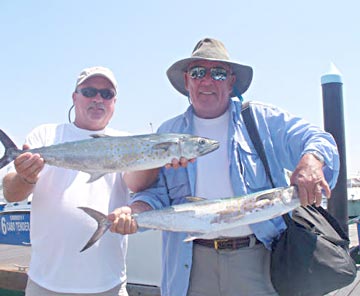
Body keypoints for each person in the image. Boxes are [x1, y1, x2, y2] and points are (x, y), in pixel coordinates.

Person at [109, 38, 340, 296]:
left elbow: (319, 140)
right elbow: (156, 195)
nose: (207, 80)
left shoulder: (261, 119)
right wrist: (134, 213)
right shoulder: (168, 133)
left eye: (218, 73)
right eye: (198, 72)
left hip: (258, 258)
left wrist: (312, 160)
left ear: (231, 82)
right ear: (187, 81)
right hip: (190, 263)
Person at [2, 66, 143, 296]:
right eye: (89, 91)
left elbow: (140, 188)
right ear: (74, 97)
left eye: (106, 94)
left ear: (114, 102)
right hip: (45, 285)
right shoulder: (45, 135)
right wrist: (25, 177)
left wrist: (164, 157)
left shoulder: (127, 143)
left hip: (109, 285)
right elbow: (11, 193)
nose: (98, 99)